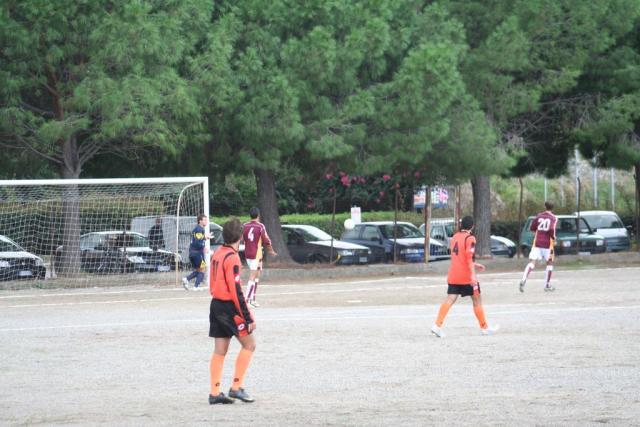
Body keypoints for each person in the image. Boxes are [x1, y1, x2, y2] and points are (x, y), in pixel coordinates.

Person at [208, 218, 256, 404]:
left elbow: (213, 282)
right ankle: (236, 387)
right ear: (241, 236)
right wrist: (248, 316)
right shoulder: (233, 258)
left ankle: (214, 393)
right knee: (250, 345)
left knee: (220, 350)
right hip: (229, 307)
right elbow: (235, 290)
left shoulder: (218, 252)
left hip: (216, 304)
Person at [431, 216, 498, 338]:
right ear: (472, 226)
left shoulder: (455, 237)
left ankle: (437, 325)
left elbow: (459, 256)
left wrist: (475, 264)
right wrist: (473, 275)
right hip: (466, 276)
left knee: (450, 299)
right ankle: (484, 327)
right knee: (477, 299)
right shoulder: (470, 238)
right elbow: (468, 256)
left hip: (454, 274)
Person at [519, 201, 557, 292]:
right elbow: (552, 229)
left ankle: (524, 279)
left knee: (532, 262)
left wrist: (539, 231)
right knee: (550, 263)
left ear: (545, 206)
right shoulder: (554, 218)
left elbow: (532, 228)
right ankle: (547, 285)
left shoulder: (539, 216)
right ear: (553, 208)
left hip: (537, 243)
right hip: (548, 244)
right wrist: (553, 238)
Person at [242, 207, 277, 307]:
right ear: (258, 215)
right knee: (252, 277)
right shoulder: (260, 226)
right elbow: (266, 240)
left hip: (249, 254)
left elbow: (241, 238)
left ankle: (252, 299)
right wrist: (271, 250)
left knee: (257, 276)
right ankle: (246, 301)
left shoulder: (245, 226)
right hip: (255, 254)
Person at [182, 214, 210, 291]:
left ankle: (186, 279)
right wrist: (204, 247)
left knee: (199, 270)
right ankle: (196, 287)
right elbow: (198, 242)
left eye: (206, 220)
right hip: (197, 253)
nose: (206, 221)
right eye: (204, 220)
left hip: (192, 253)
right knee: (203, 270)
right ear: (200, 221)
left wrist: (205, 238)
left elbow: (197, 239)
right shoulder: (199, 229)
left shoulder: (197, 229)